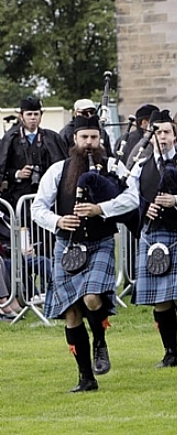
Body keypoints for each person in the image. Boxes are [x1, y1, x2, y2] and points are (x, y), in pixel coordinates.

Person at [30, 114, 139, 392]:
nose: (89, 143)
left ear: (100, 139)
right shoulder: (59, 170)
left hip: (99, 242)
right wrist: (58, 221)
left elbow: (132, 198)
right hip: (66, 245)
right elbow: (37, 207)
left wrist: (101, 209)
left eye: (93, 137)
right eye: (84, 138)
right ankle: (86, 378)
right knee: (71, 313)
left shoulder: (113, 167)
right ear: (74, 140)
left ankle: (100, 342)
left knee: (92, 298)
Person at [129, 110, 177, 368]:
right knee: (161, 298)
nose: (161, 136)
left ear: (175, 135)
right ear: (149, 136)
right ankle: (170, 353)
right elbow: (129, 198)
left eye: (166, 132)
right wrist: (144, 207)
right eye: (156, 132)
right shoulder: (140, 166)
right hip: (152, 234)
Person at [0, 96, 68, 208]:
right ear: (21, 116)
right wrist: (17, 174)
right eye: (29, 114)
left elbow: (61, 165)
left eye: (36, 114)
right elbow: (3, 168)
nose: (33, 118)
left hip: (47, 195)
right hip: (18, 196)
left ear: (41, 116)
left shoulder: (52, 138)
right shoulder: (11, 139)